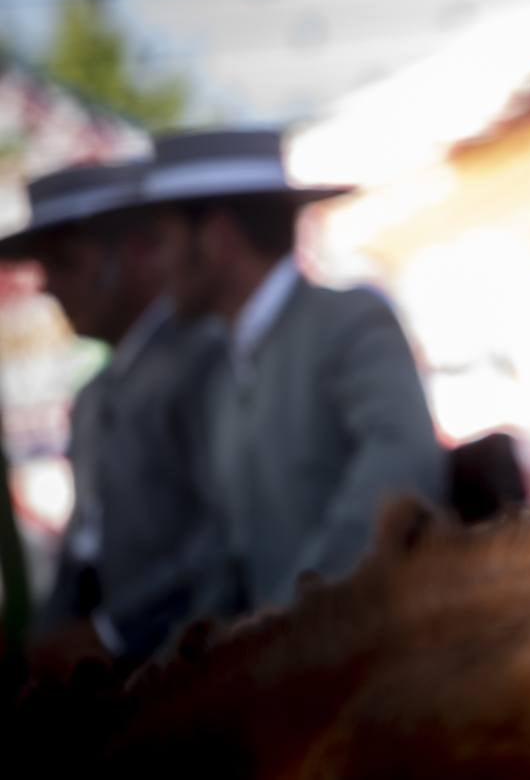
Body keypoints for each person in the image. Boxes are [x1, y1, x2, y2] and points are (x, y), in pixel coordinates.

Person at [140, 129, 443, 611]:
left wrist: (290, 618)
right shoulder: (219, 368)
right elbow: (229, 546)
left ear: (218, 238)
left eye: (163, 239)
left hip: (377, 654)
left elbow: (400, 469)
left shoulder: (349, 322)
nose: (156, 264)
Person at [0, 160, 224, 668]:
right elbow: (83, 553)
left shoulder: (203, 361)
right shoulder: (94, 398)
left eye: (64, 263)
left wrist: (112, 632)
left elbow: (224, 528)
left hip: (190, 669)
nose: (47, 286)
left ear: (140, 253)